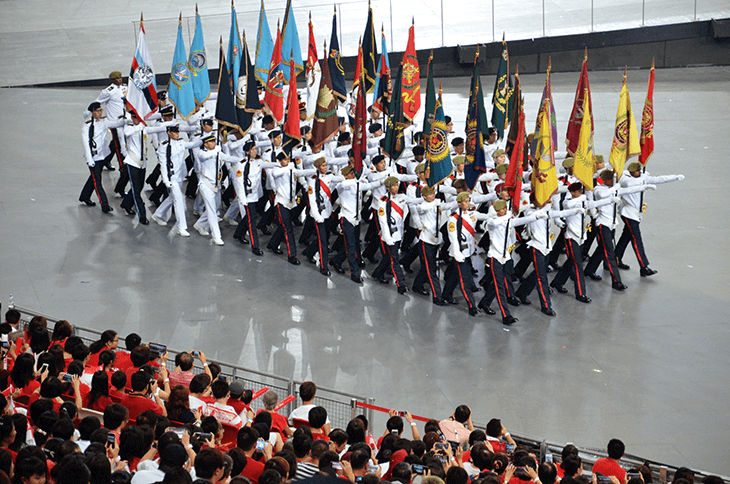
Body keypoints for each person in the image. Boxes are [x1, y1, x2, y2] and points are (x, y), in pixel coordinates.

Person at [584, 170, 656, 289]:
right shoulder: (599, 189)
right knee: (610, 252)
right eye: (612, 179)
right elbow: (604, 196)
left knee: (602, 248)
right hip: (603, 224)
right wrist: (616, 187)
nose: (614, 181)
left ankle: (589, 270)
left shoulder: (614, 188)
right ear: (607, 180)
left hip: (611, 224)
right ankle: (616, 281)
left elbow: (629, 190)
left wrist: (645, 186)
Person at [478, 199, 545, 324]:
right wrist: (508, 217)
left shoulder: (508, 220)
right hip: (495, 257)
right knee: (500, 286)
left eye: (503, 209)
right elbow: (496, 223)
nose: (502, 211)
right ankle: (506, 315)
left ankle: (484, 303)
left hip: (506, 257)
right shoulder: (492, 221)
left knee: (499, 283)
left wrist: (535, 216)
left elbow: (522, 220)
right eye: (499, 210)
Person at [614, 162, 684, 276]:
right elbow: (631, 182)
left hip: (637, 214)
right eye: (637, 171)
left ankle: (616, 258)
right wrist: (644, 180)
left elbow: (659, 179)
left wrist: (675, 177)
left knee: (626, 236)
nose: (639, 172)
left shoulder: (641, 177)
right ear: (632, 172)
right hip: (628, 213)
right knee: (636, 239)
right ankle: (643, 266)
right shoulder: (625, 180)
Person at [330, 165, 383, 283]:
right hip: (347, 219)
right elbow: (341, 185)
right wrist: (353, 182)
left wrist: (383, 180)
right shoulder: (343, 185)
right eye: (346, 174)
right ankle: (355, 273)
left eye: (350, 173)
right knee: (351, 246)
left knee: (351, 244)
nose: (348, 176)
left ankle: (337, 261)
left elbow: (371, 185)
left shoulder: (358, 184)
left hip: (356, 220)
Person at [442, 192, 492, 316]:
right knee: (464, 280)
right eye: (465, 201)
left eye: (469, 201)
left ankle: (445, 295)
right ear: (459, 203)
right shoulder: (453, 218)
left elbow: (487, 216)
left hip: (468, 251)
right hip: (460, 253)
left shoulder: (472, 214)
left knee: (454, 275)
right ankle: (472, 306)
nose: (468, 203)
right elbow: (453, 237)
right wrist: (457, 253)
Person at [266, 152, 316, 264]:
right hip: (281, 203)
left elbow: (301, 172)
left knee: (284, 226)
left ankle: (273, 244)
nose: (287, 161)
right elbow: (275, 174)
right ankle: (291, 255)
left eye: (288, 159)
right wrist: (289, 167)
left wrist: (315, 171)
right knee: (288, 229)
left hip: (291, 204)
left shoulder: (291, 169)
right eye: (285, 160)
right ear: (280, 161)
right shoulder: (277, 169)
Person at [150, 125, 199, 236]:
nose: (177, 134)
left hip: (180, 176)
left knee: (172, 198)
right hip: (172, 178)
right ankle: (181, 227)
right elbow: (163, 165)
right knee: (179, 200)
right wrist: (166, 180)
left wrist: (203, 138)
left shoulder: (181, 143)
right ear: (169, 132)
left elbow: (193, 144)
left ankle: (158, 214)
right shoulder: (165, 147)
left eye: (178, 132)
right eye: (175, 132)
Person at [371, 177, 416, 294]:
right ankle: (401, 284)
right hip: (389, 235)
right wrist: (388, 238)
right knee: (394, 259)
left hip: (399, 233)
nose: (396, 187)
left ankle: (378, 272)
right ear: (387, 187)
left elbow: (414, 201)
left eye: (397, 185)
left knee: (389, 257)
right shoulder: (382, 201)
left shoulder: (402, 197)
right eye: (393, 185)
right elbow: (383, 221)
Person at [79, 101, 126, 213]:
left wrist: (127, 119)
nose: (100, 113)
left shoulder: (104, 122)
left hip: (102, 155)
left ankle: (84, 196)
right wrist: (89, 159)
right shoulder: (87, 125)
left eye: (101, 110)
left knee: (94, 178)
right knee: (97, 182)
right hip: (94, 157)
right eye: (98, 111)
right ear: (92, 112)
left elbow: (116, 124)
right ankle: (104, 205)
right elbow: (86, 143)